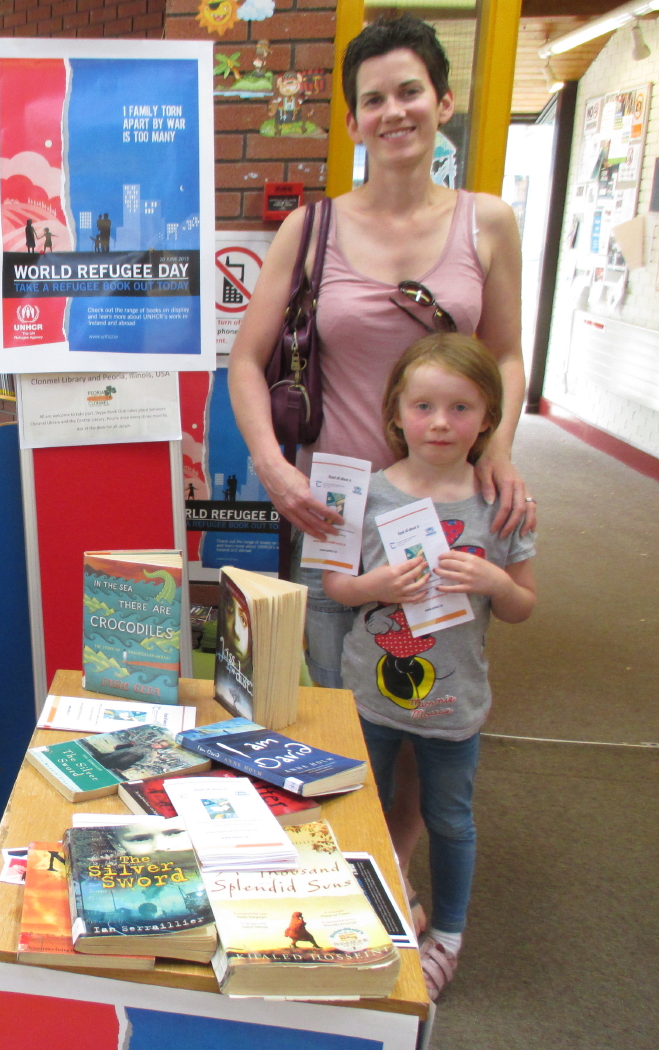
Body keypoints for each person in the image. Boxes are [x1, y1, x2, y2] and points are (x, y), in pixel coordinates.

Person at [226, 15, 535, 931]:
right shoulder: (311, 227)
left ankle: (386, 893)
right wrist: (274, 467)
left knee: (426, 699)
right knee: (334, 707)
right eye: (373, 100)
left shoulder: (488, 222)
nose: (393, 111)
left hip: (444, 507)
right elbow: (246, 362)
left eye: (411, 92)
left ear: (444, 103)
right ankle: (347, 886)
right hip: (338, 509)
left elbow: (508, 355)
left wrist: (503, 446)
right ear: (352, 123)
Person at [321, 334, 536, 1001]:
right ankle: (374, 909)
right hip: (370, 697)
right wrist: (376, 583)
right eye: (424, 406)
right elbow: (335, 589)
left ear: (489, 419)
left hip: (456, 704)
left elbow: (524, 604)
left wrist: (494, 582)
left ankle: (447, 934)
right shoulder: (369, 496)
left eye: (461, 408)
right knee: (361, 808)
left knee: (450, 818)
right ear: (397, 413)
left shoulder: (502, 505)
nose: (441, 422)